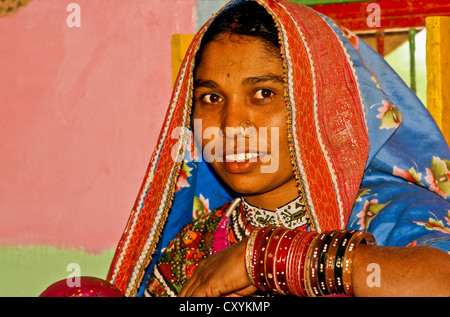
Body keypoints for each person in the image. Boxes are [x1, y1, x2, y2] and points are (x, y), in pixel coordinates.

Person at [107, 0, 450, 297]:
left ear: (322, 103)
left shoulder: (389, 215)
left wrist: (269, 258)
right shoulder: (193, 249)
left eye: (263, 94)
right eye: (211, 98)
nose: (230, 126)